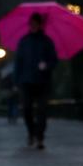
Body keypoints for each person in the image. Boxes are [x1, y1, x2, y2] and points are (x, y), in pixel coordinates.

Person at [12, 13, 58, 150]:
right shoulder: (24, 41)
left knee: (42, 111)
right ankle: (31, 132)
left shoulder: (47, 41)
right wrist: (16, 81)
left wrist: (46, 66)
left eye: (35, 24)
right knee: (27, 109)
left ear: (39, 24)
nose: (33, 26)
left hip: (43, 82)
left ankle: (40, 136)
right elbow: (18, 62)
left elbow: (54, 61)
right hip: (26, 82)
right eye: (31, 24)